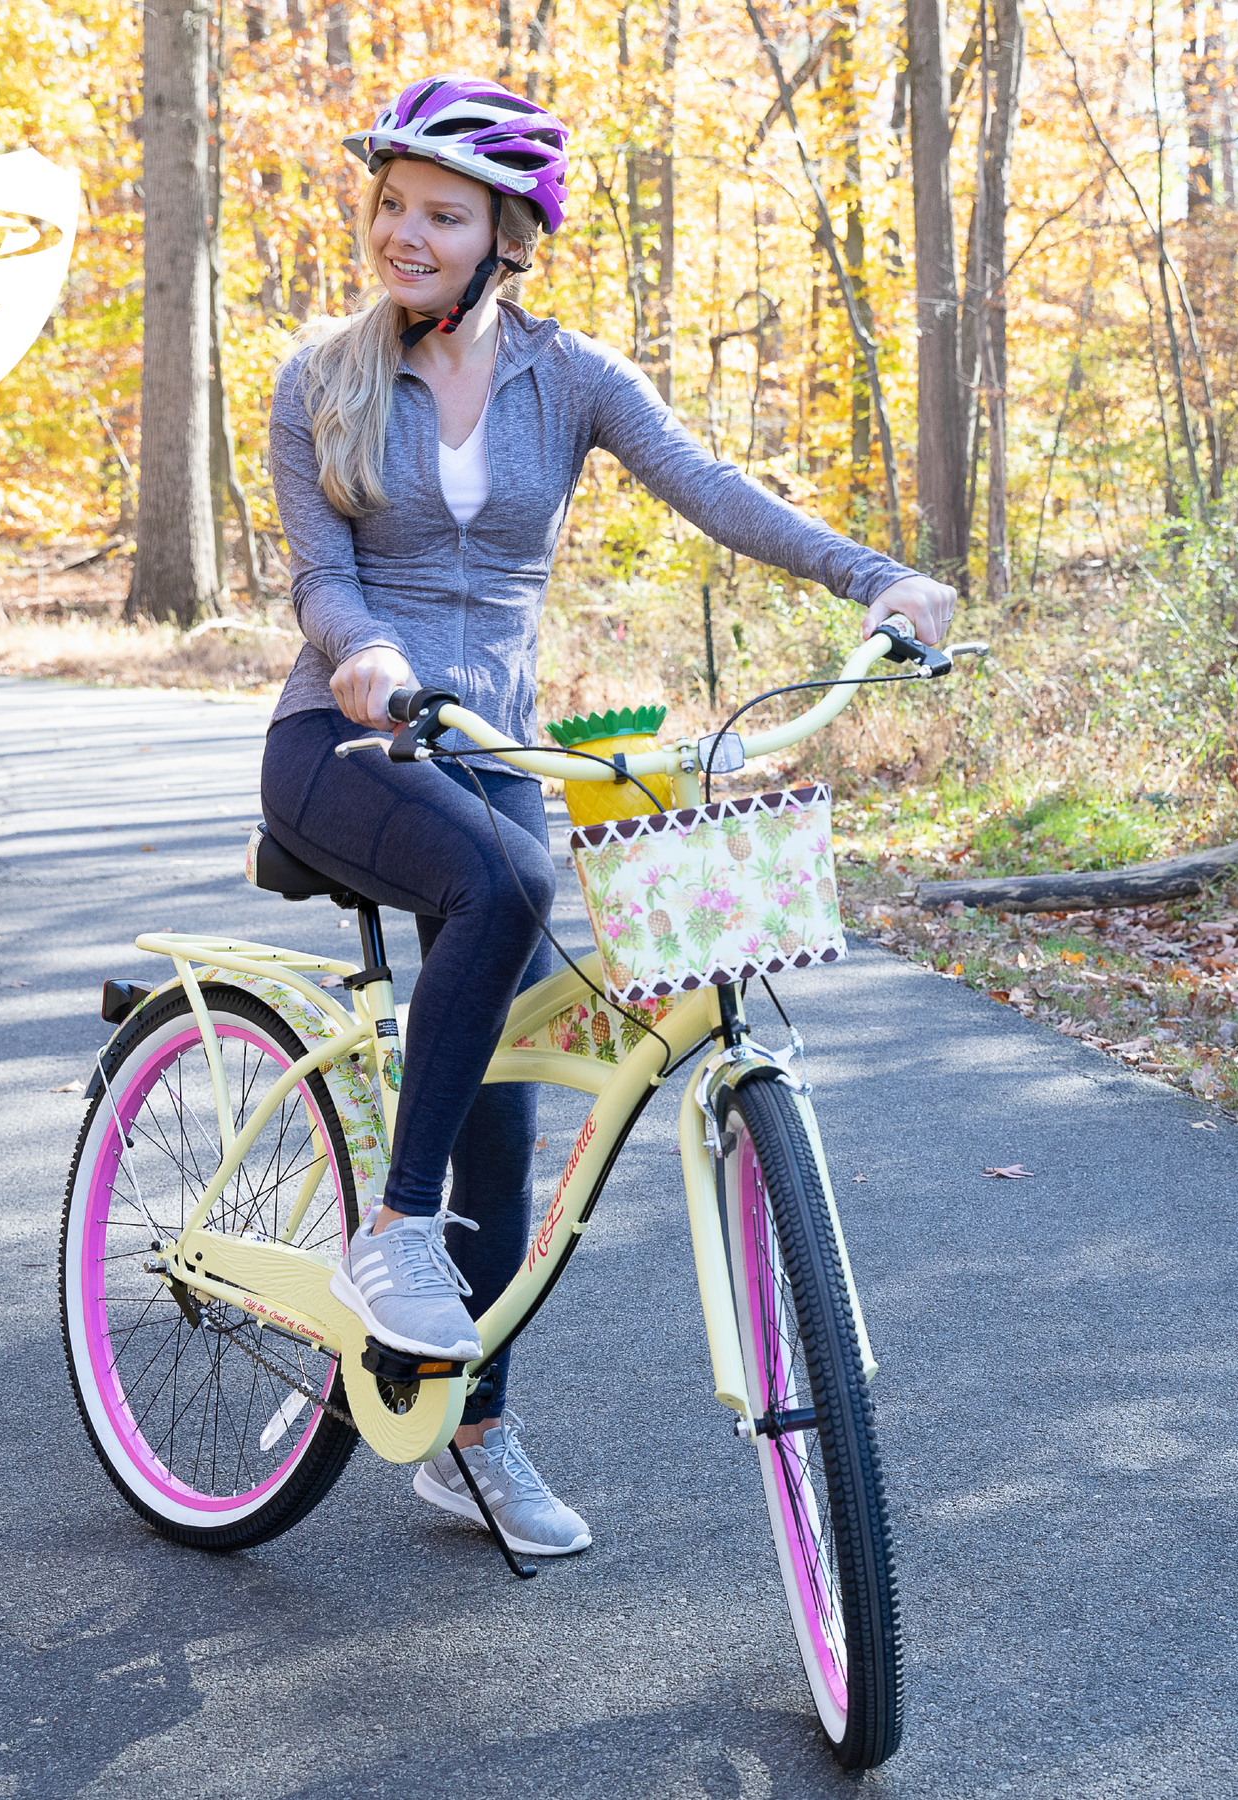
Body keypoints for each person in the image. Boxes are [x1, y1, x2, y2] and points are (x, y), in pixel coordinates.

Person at [260, 74, 955, 1559]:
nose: (405, 233)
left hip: (495, 755)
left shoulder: (571, 379)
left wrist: (872, 579)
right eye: (390, 205)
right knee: (507, 886)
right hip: (344, 739)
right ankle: (392, 1238)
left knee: (507, 1120)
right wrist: (367, 662)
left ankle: (477, 1435)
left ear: (508, 234)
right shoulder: (318, 374)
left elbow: (709, 486)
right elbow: (324, 578)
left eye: (440, 214)